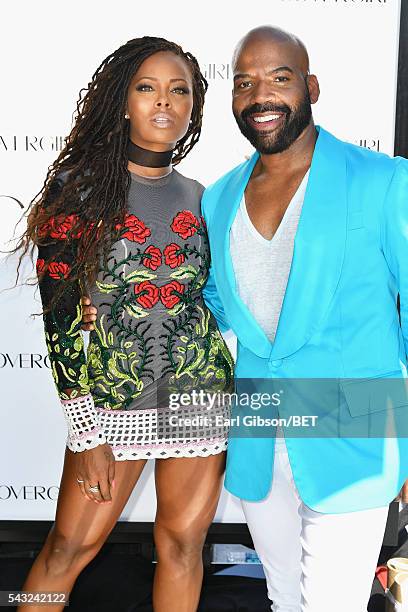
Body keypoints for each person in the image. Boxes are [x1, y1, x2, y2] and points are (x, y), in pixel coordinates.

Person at [84, 25, 408, 612]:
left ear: (310, 86)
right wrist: (115, 301)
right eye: (245, 83)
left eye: (279, 78)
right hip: (260, 432)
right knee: (283, 598)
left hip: (354, 435)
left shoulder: (385, 180)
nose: (261, 94)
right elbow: (207, 301)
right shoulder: (220, 197)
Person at [14, 36, 233, 612]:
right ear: (123, 102)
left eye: (179, 90)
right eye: (147, 87)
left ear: (193, 107)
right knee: (66, 548)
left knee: (183, 545)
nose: (164, 101)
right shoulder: (77, 194)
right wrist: (86, 433)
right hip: (114, 406)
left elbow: (207, 299)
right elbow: (62, 322)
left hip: (198, 394)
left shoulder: (201, 197)